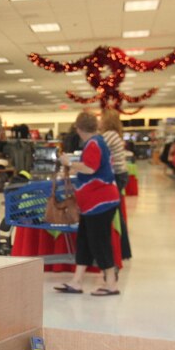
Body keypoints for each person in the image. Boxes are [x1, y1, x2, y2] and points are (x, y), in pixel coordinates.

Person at [54, 111, 121, 296]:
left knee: (99, 243)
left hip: (99, 202)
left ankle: (111, 284)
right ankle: (77, 281)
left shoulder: (93, 144)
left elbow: (90, 168)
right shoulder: (97, 142)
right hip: (94, 203)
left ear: (78, 128)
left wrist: (69, 163)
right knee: (84, 241)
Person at [99, 108, 131, 260]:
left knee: (113, 213)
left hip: (116, 176)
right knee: (116, 212)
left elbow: (99, 150)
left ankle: (122, 249)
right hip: (120, 174)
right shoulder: (115, 135)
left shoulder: (109, 136)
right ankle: (123, 249)